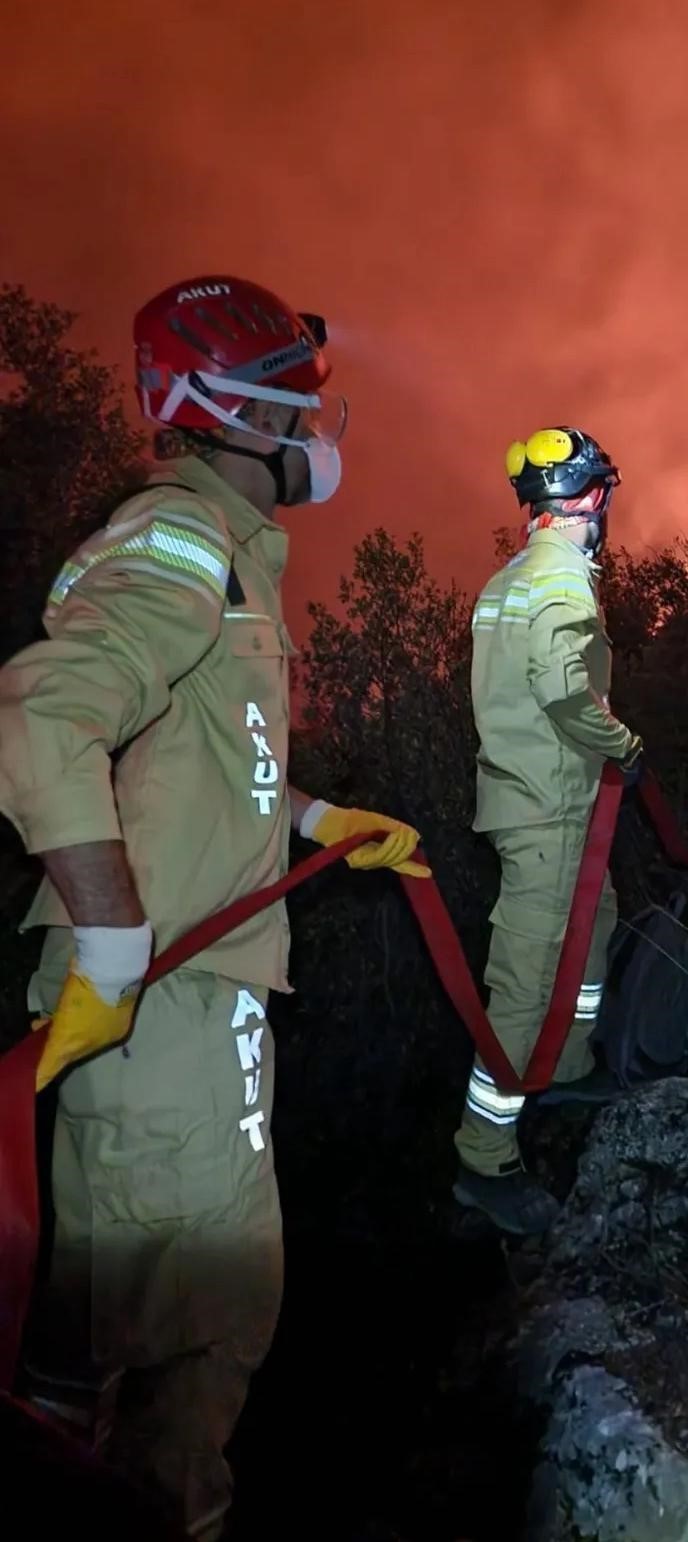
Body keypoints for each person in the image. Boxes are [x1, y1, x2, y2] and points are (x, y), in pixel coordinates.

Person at [0, 275, 429, 1540]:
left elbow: (194, 751)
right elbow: (41, 719)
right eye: (297, 399)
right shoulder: (180, 540)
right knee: (163, 1341)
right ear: (228, 411)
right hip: (160, 1017)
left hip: (190, 1017)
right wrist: (118, 942)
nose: (315, 426)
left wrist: (310, 820)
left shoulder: (227, 557)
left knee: (161, 1326)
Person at [452, 427, 643, 1237]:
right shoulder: (561, 578)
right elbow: (567, 693)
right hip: (547, 806)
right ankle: (482, 1159)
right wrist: (624, 747)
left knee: (589, 930)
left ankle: (564, 1067)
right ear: (591, 497)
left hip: (539, 800)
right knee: (527, 978)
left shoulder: (511, 576)